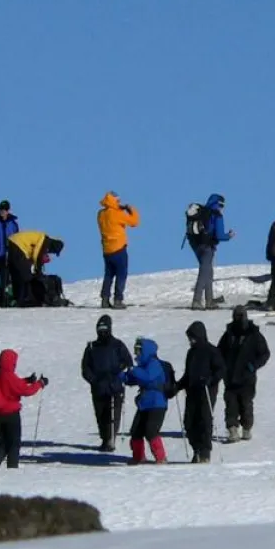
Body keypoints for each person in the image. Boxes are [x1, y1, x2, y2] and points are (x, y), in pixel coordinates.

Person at [0, 349, 47, 468]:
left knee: (2, 444)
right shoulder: (10, 375)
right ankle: (12, 469)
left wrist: (26, 380)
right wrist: (40, 383)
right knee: (14, 444)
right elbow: (25, 390)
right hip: (11, 415)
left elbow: (11, 385)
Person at [217, 305, 271, 442]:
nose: (239, 319)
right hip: (230, 377)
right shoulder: (228, 334)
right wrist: (222, 367)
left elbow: (264, 353)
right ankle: (232, 429)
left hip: (247, 377)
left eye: (241, 316)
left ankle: (247, 427)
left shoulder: (254, 334)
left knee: (246, 404)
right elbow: (219, 352)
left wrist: (253, 366)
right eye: (236, 316)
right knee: (230, 404)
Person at [80, 314, 133, 452]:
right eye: (100, 329)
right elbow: (85, 368)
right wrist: (94, 380)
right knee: (101, 414)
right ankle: (104, 439)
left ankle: (111, 439)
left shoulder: (118, 345)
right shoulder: (91, 347)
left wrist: (119, 372)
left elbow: (128, 361)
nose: (102, 332)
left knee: (114, 414)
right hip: (98, 387)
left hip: (115, 386)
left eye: (105, 329)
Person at [174, 321, 224, 463]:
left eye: (193, 337)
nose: (191, 340)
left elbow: (220, 370)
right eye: (190, 338)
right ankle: (196, 449)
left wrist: (211, 379)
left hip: (207, 391)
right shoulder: (191, 353)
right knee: (189, 422)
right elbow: (188, 375)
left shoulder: (212, 351)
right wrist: (177, 386)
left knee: (204, 420)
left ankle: (205, 452)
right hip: (192, 391)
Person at [121, 337, 169, 464]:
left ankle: (161, 458)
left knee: (151, 431)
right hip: (144, 404)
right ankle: (138, 457)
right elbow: (132, 379)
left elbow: (147, 377)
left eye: (138, 350)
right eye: (135, 350)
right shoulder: (141, 366)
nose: (136, 353)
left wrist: (133, 370)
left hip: (157, 403)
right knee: (136, 431)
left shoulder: (154, 364)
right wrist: (120, 375)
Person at [187, 194, 234, 310]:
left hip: (196, 245)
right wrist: (229, 235)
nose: (222, 208)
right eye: (222, 205)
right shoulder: (216, 215)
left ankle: (209, 300)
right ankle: (197, 301)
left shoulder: (201, 213)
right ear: (218, 204)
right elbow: (219, 235)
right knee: (204, 273)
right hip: (208, 246)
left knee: (208, 271)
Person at [97, 191, 140, 309]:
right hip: (119, 248)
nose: (119, 203)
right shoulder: (117, 214)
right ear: (113, 201)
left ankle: (104, 299)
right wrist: (130, 209)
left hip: (106, 249)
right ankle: (118, 299)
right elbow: (134, 222)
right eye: (118, 201)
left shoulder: (100, 214)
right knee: (121, 274)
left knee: (109, 274)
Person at [6, 230, 64, 307]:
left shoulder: (43, 239)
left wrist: (36, 267)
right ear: (54, 246)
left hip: (12, 242)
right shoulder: (44, 240)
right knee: (26, 276)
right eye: (54, 251)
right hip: (18, 245)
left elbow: (33, 255)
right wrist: (38, 272)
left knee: (17, 274)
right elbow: (37, 256)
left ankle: (18, 299)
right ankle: (27, 299)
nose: (50, 252)